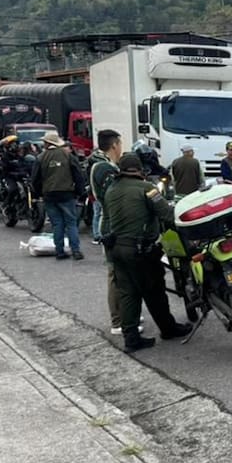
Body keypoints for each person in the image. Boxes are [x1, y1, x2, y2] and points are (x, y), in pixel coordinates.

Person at [102, 153, 192, 352]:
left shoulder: (111, 189)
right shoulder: (147, 189)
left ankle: (131, 338)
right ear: (139, 170)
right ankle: (168, 328)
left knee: (127, 293)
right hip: (141, 250)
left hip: (117, 248)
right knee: (155, 291)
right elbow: (167, 214)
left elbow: (107, 219)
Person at [90, 129, 137, 335]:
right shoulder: (104, 168)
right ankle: (118, 320)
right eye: (120, 144)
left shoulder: (101, 165)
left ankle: (127, 313)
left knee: (122, 272)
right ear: (115, 145)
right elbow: (115, 198)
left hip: (113, 222)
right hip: (112, 225)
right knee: (115, 274)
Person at [32, 130, 85, 261]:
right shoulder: (68, 156)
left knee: (57, 224)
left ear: (46, 143)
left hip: (49, 195)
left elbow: (35, 179)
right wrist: (79, 192)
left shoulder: (40, 157)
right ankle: (76, 251)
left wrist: (39, 193)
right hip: (67, 194)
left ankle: (60, 251)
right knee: (71, 223)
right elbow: (78, 175)